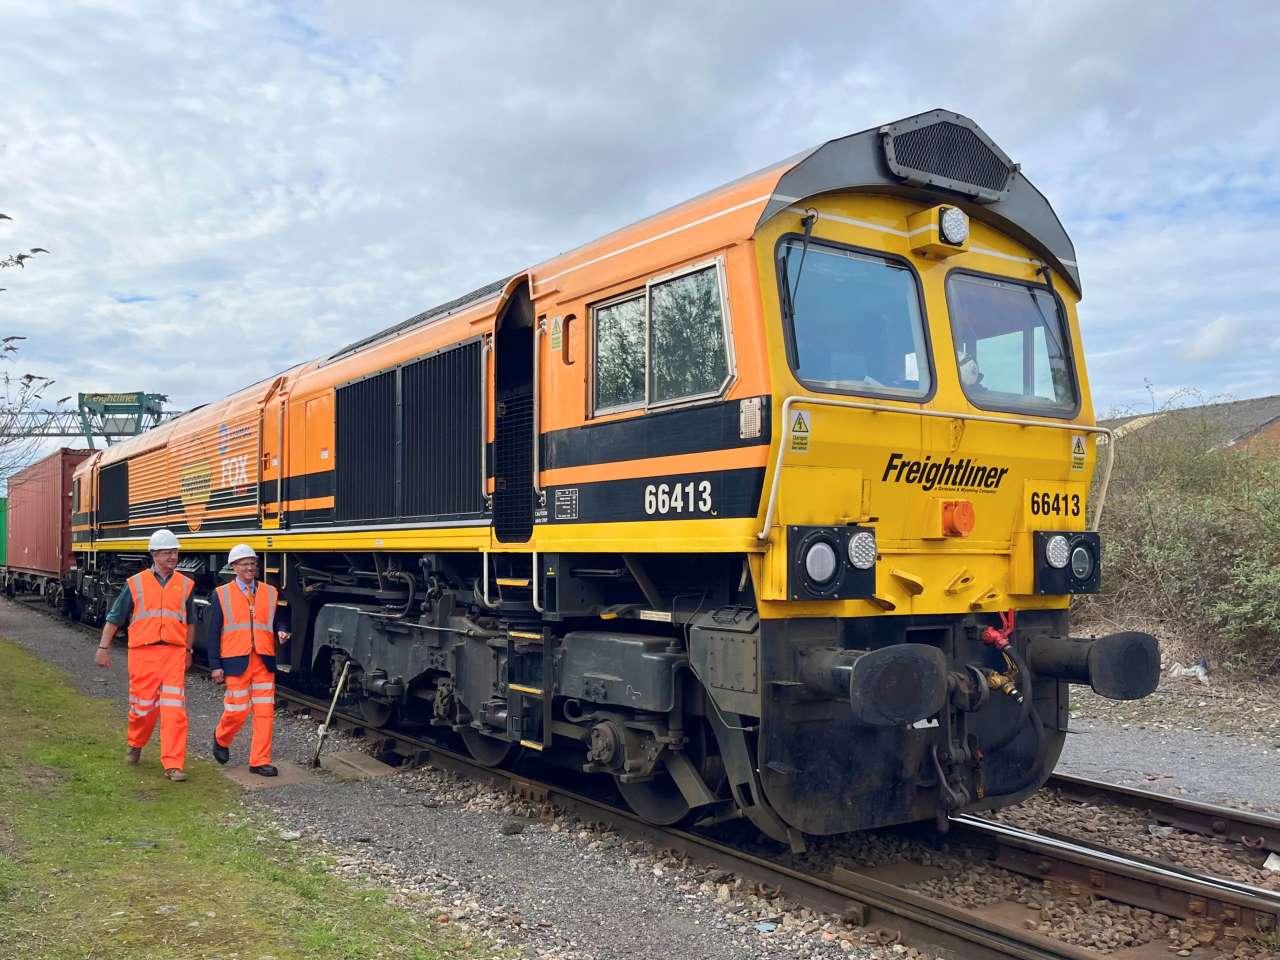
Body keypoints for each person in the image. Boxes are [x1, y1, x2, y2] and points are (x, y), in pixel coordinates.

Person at [94, 528, 194, 782]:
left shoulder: (185, 585)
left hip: (173, 653)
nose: (173, 556)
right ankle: (136, 742)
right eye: (167, 552)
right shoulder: (135, 584)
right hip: (143, 655)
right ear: (154, 555)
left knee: (174, 711)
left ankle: (173, 764)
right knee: (143, 709)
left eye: (175, 552)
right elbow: (115, 618)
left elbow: (190, 622)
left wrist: (189, 650)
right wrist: (103, 648)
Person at [208, 544, 290, 777]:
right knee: (237, 710)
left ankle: (259, 761)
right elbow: (213, 633)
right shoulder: (221, 594)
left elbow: (280, 618)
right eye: (244, 564)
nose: (250, 568)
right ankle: (221, 738)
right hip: (235, 660)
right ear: (234, 567)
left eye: (253, 564)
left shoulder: (270, 592)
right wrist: (215, 665)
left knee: (265, 713)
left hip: (264, 660)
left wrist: (283, 630)